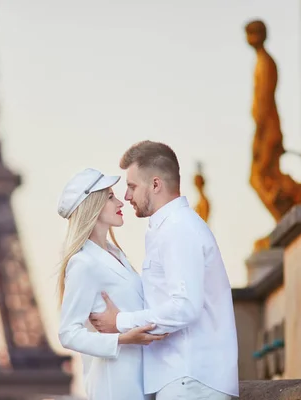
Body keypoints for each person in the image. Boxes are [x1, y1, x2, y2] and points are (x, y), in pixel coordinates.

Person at [89, 141, 239, 400]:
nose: (126, 196)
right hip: (183, 378)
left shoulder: (178, 229)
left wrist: (120, 322)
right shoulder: (170, 228)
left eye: (132, 186)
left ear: (156, 184)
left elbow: (185, 307)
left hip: (189, 378)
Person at [57, 167, 166, 400]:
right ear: (92, 206)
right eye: (109, 197)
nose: (120, 202)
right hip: (115, 384)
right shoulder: (83, 262)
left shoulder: (116, 253)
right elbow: (68, 333)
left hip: (140, 377)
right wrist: (122, 338)